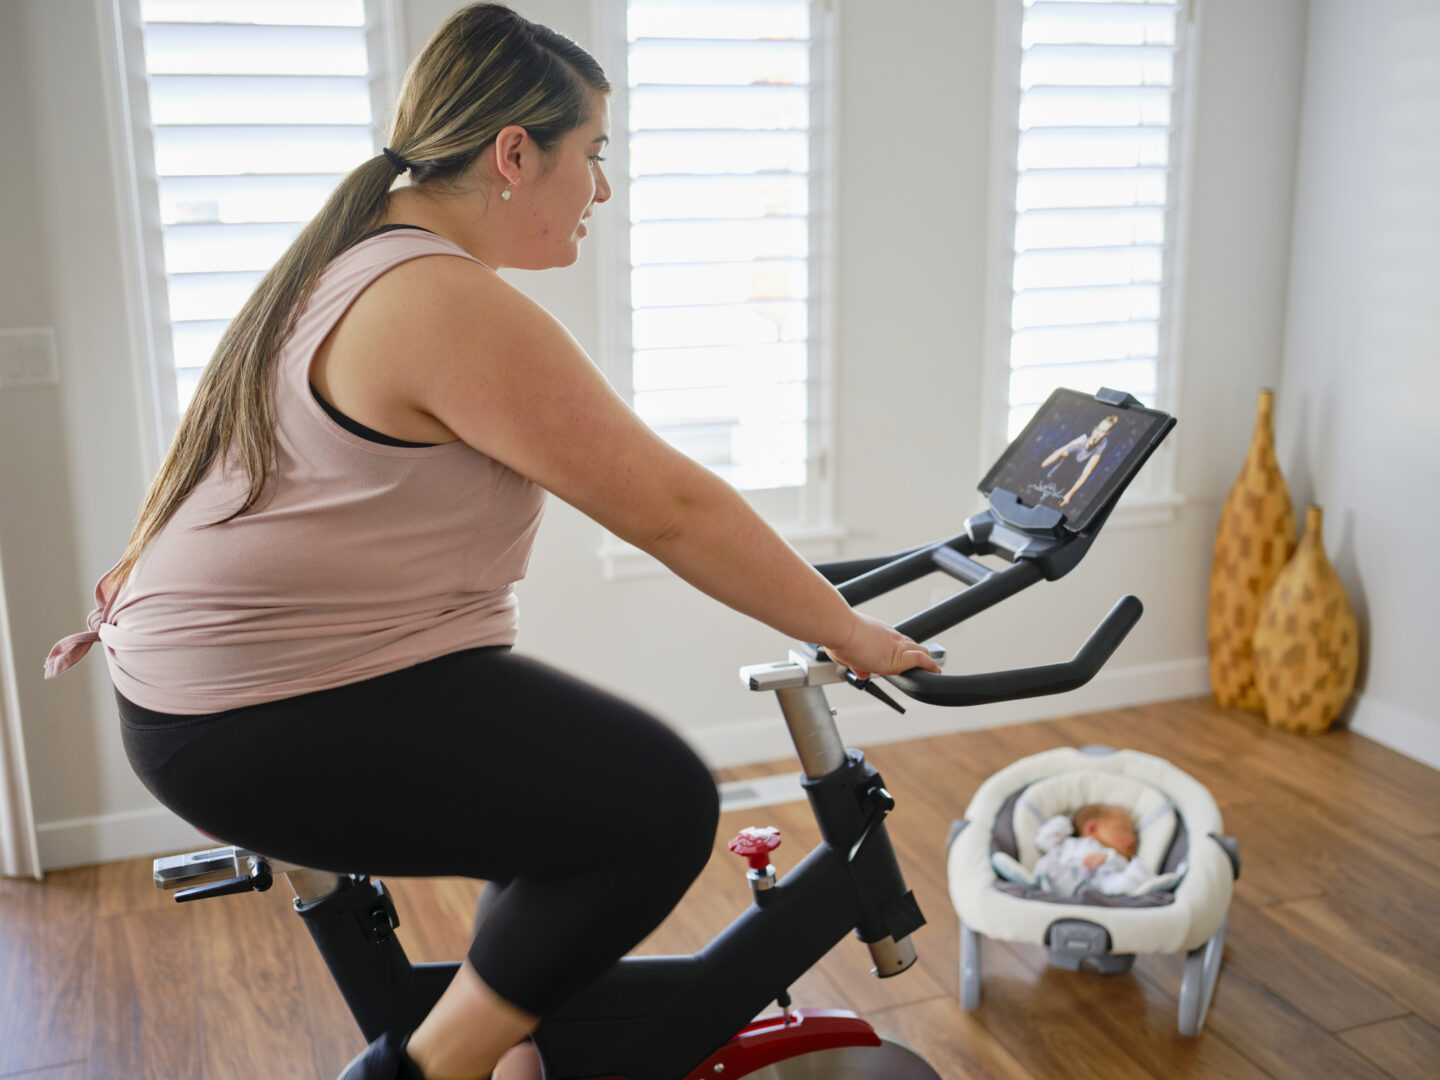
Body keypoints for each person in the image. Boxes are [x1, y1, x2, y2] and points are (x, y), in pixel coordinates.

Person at [43, 5, 939, 1079]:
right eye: (593, 155)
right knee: (656, 805)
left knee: (565, 785)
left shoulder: (361, 258)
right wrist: (853, 634)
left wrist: (819, 609)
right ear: (515, 153)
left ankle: (507, 1034)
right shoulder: (437, 298)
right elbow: (670, 510)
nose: (602, 190)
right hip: (260, 712)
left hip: (223, 695)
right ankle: (432, 1070)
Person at [1031, 803, 1154, 898]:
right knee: (1046, 866)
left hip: (1104, 890)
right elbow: (1044, 840)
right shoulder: (1070, 844)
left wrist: (1107, 857)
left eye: (1133, 833)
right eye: (1124, 829)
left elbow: (1122, 867)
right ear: (1092, 828)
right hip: (1066, 882)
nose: (1133, 838)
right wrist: (1066, 822)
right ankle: (1068, 893)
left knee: (1136, 870)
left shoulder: (1113, 855)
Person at [1040, 415, 1118, 507]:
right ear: (1094, 428)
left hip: (1063, 487)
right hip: (1049, 479)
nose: (1097, 434)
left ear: (1106, 433)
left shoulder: (1102, 445)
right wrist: (1071, 444)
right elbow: (1045, 463)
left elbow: (1086, 473)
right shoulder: (1082, 440)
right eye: (1098, 429)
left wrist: (1069, 494)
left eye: (1102, 432)